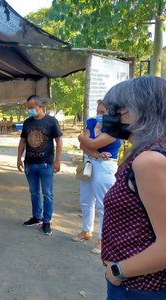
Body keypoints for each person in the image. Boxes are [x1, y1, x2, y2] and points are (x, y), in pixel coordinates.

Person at [100, 76, 166, 299]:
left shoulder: (149, 160)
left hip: (139, 287)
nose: (110, 115)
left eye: (117, 109)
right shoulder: (146, 153)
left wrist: (118, 272)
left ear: (141, 110)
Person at [73, 100, 122, 254]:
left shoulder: (115, 128)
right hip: (90, 163)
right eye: (98, 111)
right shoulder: (92, 122)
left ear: (111, 113)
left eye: (103, 112)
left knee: (103, 204)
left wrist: (81, 138)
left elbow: (91, 143)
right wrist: (95, 153)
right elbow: (85, 146)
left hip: (105, 166)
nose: (99, 115)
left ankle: (103, 240)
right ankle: (86, 231)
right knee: (86, 200)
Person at [17, 94, 63, 235]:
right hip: (30, 164)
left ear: (40, 106)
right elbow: (23, 141)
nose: (30, 110)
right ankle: (36, 217)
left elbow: (59, 141)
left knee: (47, 193)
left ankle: (47, 220)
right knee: (34, 193)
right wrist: (19, 158)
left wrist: (58, 160)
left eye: (32, 108)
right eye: (28, 108)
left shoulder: (51, 121)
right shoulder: (27, 122)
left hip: (45, 165)